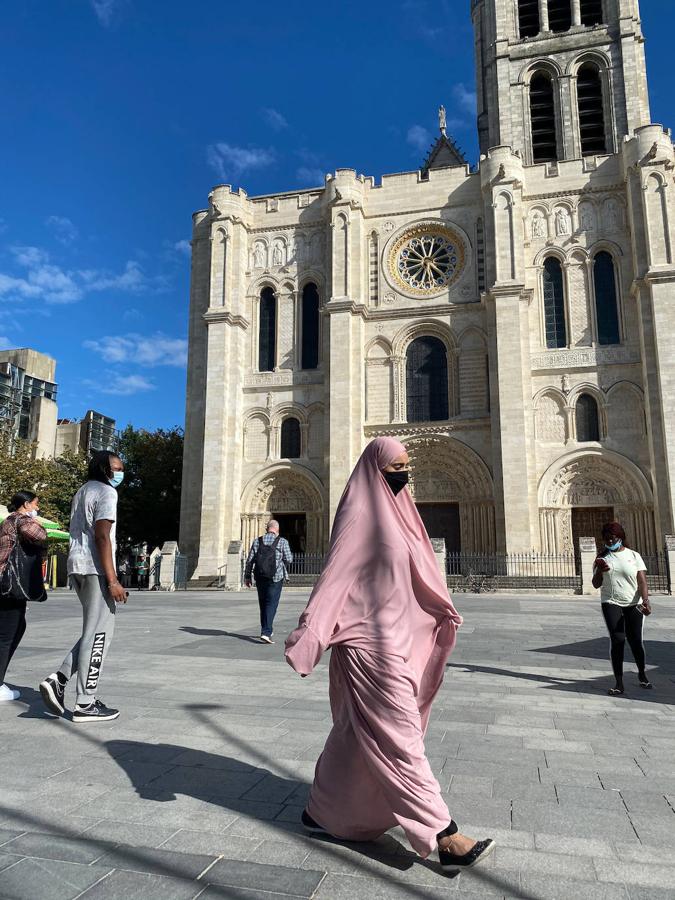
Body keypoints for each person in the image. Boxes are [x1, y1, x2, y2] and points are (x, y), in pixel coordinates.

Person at [285, 437, 495, 872]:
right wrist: (311, 634)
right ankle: (444, 832)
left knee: (353, 736)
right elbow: (335, 576)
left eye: (406, 465)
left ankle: (322, 811)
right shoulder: (359, 513)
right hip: (367, 645)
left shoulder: (399, 514)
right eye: (394, 466)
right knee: (402, 737)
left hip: (395, 641)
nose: (404, 473)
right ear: (374, 468)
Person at [39, 451, 128, 723]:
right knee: (100, 635)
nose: (120, 473)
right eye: (116, 468)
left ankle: (60, 679)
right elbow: (102, 536)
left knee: (92, 631)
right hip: (95, 568)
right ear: (103, 469)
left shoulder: (82, 491)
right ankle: (86, 703)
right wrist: (112, 580)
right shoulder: (106, 492)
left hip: (77, 566)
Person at [592, 521, 652, 696]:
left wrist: (646, 600)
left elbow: (642, 581)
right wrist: (599, 571)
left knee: (635, 641)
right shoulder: (602, 558)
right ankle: (619, 683)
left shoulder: (633, 555)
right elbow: (596, 585)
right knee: (617, 639)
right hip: (611, 601)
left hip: (634, 603)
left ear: (620, 538)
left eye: (612, 539)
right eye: (606, 540)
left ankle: (641, 673)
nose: (610, 542)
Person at [0, 491, 47, 702]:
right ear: (26, 504)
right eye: (36, 504)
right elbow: (40, 534)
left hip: (8, 584)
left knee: (17, 627)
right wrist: (35, 520)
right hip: (9, 584)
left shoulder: (10, 520)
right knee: (6, 635)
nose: (37, 508)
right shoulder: (20, 519)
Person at [244, 519, 293, 644]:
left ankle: (266, 629)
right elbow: (289, 559)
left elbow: (250, 560)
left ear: (267, 529)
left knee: (263, 604)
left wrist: (247, 576)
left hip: (260, 577)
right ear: (277, 530)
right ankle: (266, 632)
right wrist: (280, 564)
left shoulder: (257, 541)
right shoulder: (282, 542)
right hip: (275, 577)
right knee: (271, 604)